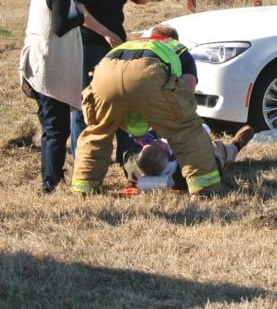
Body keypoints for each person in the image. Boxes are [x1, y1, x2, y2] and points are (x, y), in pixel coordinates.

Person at [71, 25, 223, 195]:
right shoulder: (177, 49)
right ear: (173, 39)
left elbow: (120, 98)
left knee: (98, 132)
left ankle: (83, 188)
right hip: (147, 73)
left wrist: (133, 128)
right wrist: (167, 120)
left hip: (104, 74)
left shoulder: (130, 45)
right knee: (186, 129)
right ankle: (205, 188)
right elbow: (186, 92)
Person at [19, 0, 100, 192]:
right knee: (57, 129)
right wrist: (82, 15)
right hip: (49, 67)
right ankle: (50, 183)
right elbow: (59, 26)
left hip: (41, 62)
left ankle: (50, 177)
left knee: (51, 128)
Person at [69, 0, 150, 158]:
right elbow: (81, 12)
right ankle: (82, 154)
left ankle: (126, 152)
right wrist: (106, 34)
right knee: (87, 99)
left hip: (116, 44)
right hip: (89, 42)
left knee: (119, 95)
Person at [121, 123, 254, 192]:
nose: (158, 141)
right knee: (216, 151)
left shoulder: (134, 165)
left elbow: (127, 156)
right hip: (205, 157)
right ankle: (235, 147)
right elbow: (211, 168)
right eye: (159, 143)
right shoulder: (185, 170)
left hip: (156, 161)